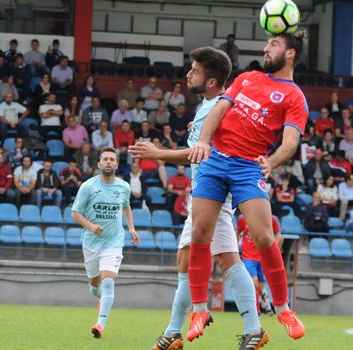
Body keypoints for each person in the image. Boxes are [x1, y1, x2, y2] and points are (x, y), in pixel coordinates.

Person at [129, 46, 275, 349]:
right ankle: (178, 329)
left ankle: (249, 328)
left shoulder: (216, 107)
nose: (187, 75)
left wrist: (159, 154)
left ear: (211, 80)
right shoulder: (210, 106)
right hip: (206, 192)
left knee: (225, 260)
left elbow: (198, 155)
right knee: (190, 260)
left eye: (194, 70)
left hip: (213, 193)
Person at [185, 32, 308, 343]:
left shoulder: (294, 96)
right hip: (216, 160)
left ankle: (283, 308)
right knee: (200, 233)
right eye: (267, 44)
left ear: (290, 53)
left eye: (274, 45)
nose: (266, 49)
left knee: (264, 236)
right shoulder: (247, 77)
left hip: (248, 166)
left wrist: (272, 161)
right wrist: (203, 140)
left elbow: (291, 142)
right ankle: (199, 309)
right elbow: (218, 111)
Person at [71, 147, 138, 339]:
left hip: (114, 242)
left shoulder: (123, 187)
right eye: (105, 159)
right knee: (95, 285)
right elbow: (75, 213)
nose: (108, 162)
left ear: (116, 164)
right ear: (99, 164)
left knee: (108, 282)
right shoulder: (88, 186)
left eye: (112, 159)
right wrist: (91, 226)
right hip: (91, 243)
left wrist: (131, 228)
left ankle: (100, 325)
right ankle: (100, 299)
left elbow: (126, 207)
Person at [237, 215, 282, 315]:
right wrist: (236, 250)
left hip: (262, 258)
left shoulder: (271, 219)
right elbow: (237, 232)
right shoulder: (243, 219)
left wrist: (273, 249)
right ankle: (257, 311)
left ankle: (265, 302)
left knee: (260, 286)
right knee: (254, 284)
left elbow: (279, 235)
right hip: (248, 258)